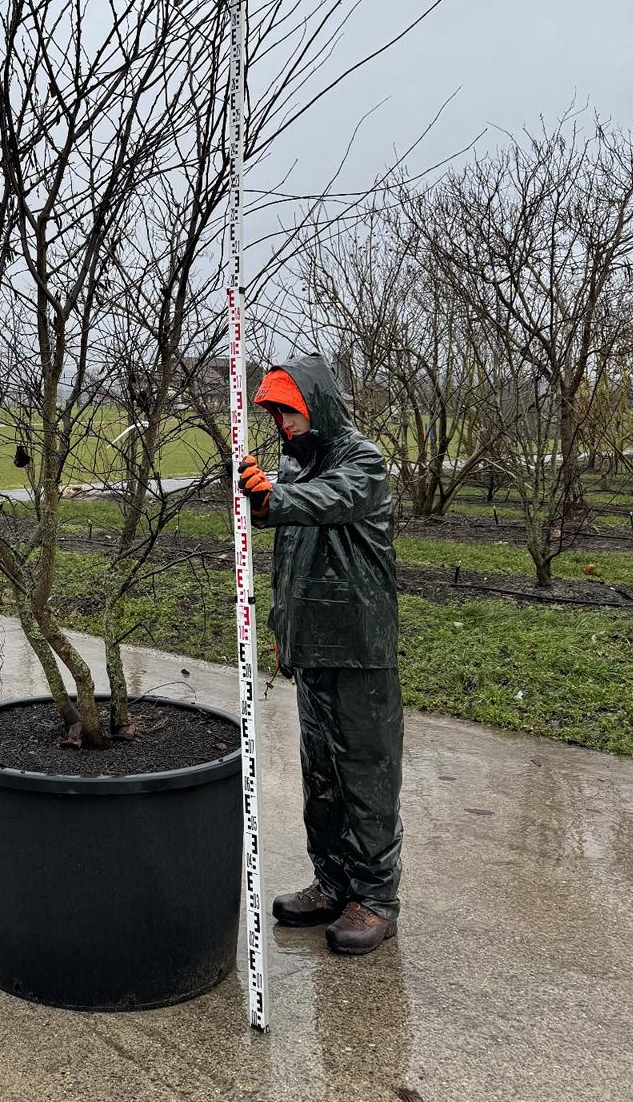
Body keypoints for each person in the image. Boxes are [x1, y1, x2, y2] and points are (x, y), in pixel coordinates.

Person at [237, 353, 403, 955]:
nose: (283, 425)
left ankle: (376, 899)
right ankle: (332, 882)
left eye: (291, 412)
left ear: (318, 406)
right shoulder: (293, 464)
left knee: (367, 773)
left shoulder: (362, 461)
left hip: (360, 648)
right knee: (322, 776)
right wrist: (285, 627)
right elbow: (288, 555)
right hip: (312, 647)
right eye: (276, 414)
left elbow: (326, 501)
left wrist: (272, 498)